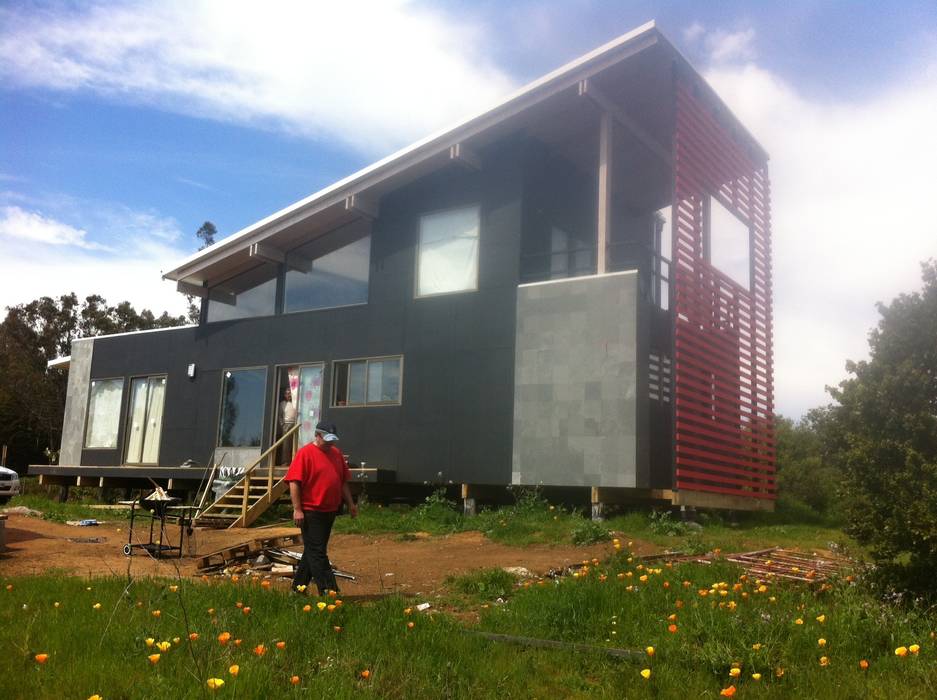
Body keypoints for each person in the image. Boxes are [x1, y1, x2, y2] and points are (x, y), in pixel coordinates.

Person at [285, 421, 357, 594]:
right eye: (327, 440)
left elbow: (342, 482)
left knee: (313, 550)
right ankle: (329, 591)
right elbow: (294, 482)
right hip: (311, 511)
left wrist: (351, 504)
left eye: (333, 440)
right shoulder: (305, 453)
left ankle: (297, 589)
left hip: (329, 510)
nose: (331, 443)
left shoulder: (336, 454)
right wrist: (297, 509)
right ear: (317, 435)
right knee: (317, 552)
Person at [277, 387, 297, 464]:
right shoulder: (282, 404)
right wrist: (283, 425)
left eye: (290, 393)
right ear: (285, 395)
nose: (289, 395)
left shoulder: (295, 402)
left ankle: (295, 461)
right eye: (287, 393)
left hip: (295, 423)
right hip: (286, 424)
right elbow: (280, 416)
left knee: (295, 443)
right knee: (286, 444)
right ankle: (285, 462)